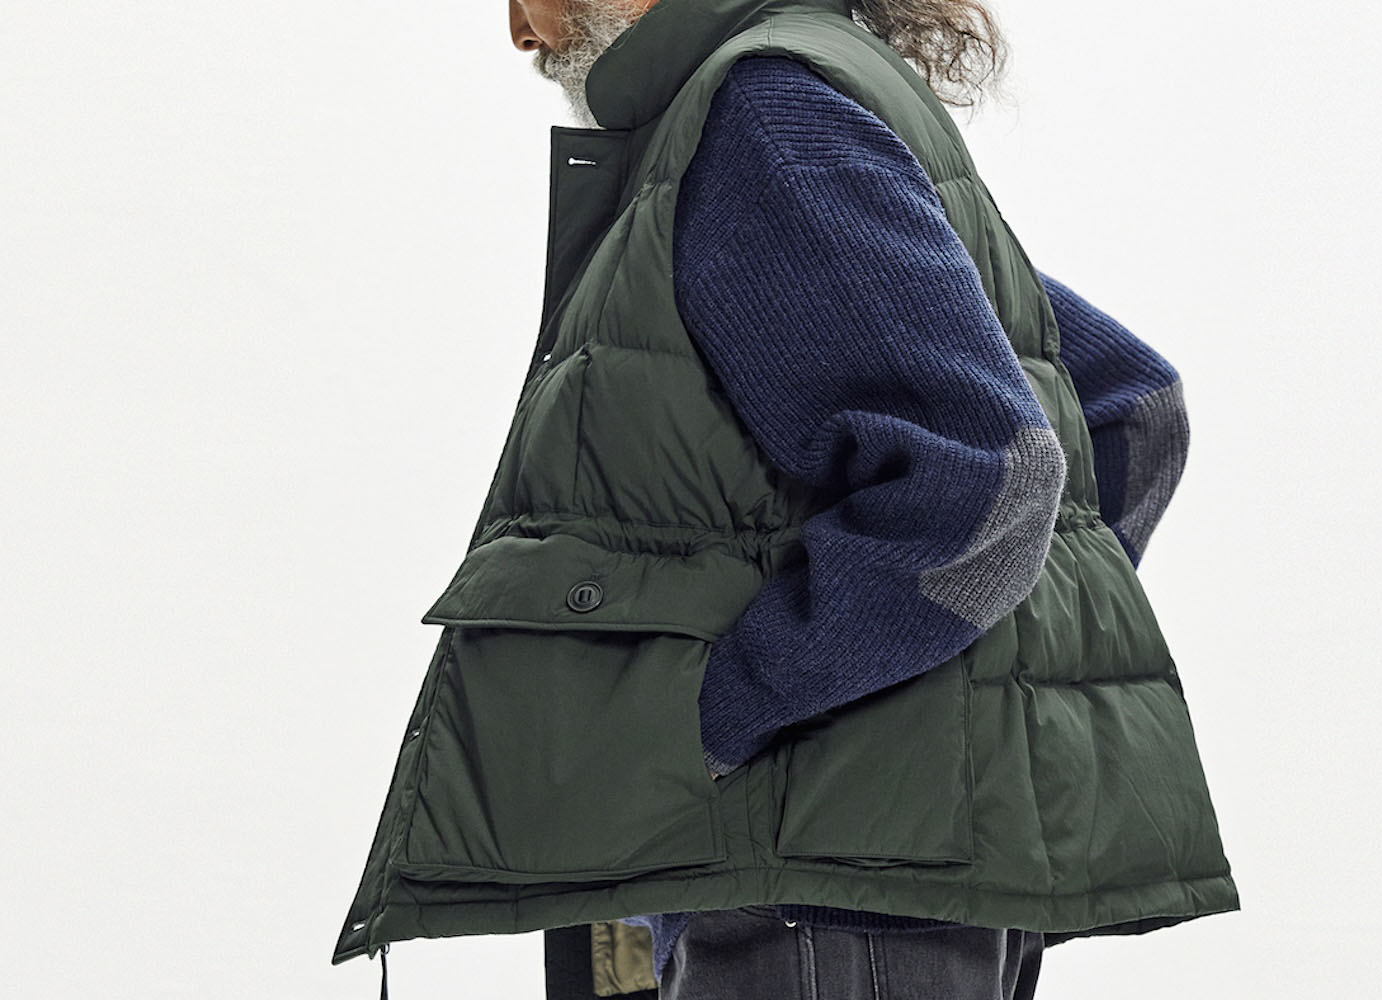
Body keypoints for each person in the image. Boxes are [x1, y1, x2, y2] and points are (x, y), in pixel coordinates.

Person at [329, 0, 1238, 994]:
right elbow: (1126, 405)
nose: (520, 29)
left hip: (828, 881)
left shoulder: (762, 114)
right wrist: (971, 680)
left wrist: (714, 724)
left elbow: (990, 475)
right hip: (873, 868)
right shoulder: (795, 96)